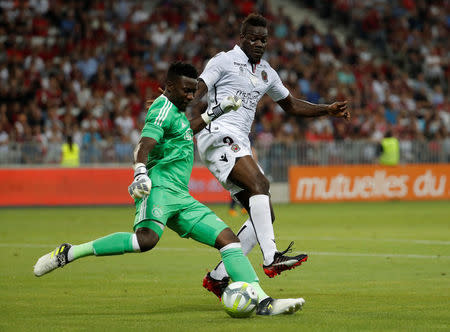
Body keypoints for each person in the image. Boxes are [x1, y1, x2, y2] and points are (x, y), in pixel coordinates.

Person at [33, 62, 305, 316]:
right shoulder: (162, 108)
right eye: (187, 90)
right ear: (170, 87)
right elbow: (144, 144)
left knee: (229, 241)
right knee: (145, 241)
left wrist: (218, 109)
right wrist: (140, 172)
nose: (191, 96)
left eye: (193, 90)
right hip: (160, 189)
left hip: (182, 197)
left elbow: (186, 130)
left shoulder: (177, 112)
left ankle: (263, 302)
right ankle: (70, 252)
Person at [194, 13, 350, 297]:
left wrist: (327, 109)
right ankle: (271, 258)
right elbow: (198, 89)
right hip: (217, 134)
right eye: (253, 38)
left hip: (239, 141)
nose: (258, 43)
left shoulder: (266, 72)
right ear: (241, 38)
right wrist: (169, 100)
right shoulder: (223, 60)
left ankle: (218, 277)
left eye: (263, 39)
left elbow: (290, 105)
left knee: (263, 212)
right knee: (261, 185)